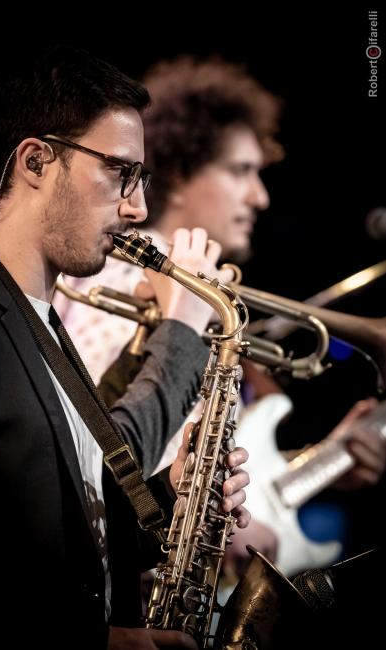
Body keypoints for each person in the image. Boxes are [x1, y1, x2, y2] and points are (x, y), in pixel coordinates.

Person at [0, 46, 252, 649]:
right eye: (120, 173)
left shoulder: (39, 317)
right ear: (36, 160)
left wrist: (172, 493)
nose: (138, 207)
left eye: (140, 179)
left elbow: (56, 540)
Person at [54, 56, 386, 577]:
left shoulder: (197, 292)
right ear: (182, 175)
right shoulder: (123, 274)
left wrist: (319, 464)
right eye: (241, 171)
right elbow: (96, 447)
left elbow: (192, 451)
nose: (260, 196)